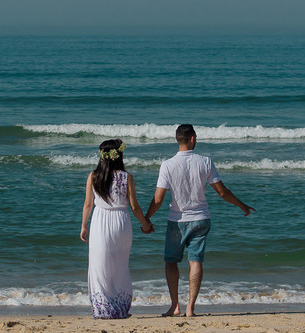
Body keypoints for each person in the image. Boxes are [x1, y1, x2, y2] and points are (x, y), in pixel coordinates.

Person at [145, 124, 254, 317]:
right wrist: (241, 205)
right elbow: (222, 192)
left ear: (178, 139)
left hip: (176, 221)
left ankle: (175, 306)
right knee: (195, 261)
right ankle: (190, 308)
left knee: (171, 262)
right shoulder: (205, 162)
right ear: (193, 139)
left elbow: (158, 199)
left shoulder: (167, 165)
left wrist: (146, 218)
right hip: (201, 219)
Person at [80, 139, 154, 319]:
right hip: (121, 222)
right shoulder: (126, 177)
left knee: (99, 266)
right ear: (119, 155)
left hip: (100, 221)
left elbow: (88, 204)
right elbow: (134, 206)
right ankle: (120, 308)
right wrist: (145, 223)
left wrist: (84, 225)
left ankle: (103, 309)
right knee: (120, 265)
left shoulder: (93, 176)